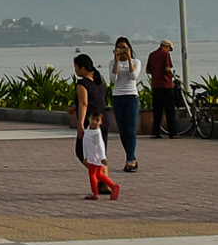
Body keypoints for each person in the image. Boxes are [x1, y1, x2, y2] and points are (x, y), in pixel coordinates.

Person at [73, 53, 121, 200]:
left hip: (91, 122)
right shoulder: (98, 81)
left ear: (82, 68)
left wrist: (80, 123)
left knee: (81, 152)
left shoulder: (82, 84)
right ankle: (104, 182)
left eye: (76, 67)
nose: (75, 71)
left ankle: (103, 180)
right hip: (103, 120)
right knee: (100, 153)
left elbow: (84, 103)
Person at [108, 37, 143, 172]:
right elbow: (112, 78)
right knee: (122, 130)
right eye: (120, 48)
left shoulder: (136, 62)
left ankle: (130, 158)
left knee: (130, 129)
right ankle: (131, 157)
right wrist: (117, 61)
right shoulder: (112, 62)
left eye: (125, 48)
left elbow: (133, 76)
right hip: (117, 97)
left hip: (131, 97)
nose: (122, 51)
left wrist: (128, 60)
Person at [146, 39, 177, 139]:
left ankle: (155, 132)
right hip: (166, 85)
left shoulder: (152, 55)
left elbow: (148, 70)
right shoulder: (165, 55)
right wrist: (171, 76)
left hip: (156, 86)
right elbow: (167, 68)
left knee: (157, 110)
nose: (169, 51)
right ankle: (172, 133)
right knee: (169, 109)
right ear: (166, 47)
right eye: (169, 49)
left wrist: (156, 75)